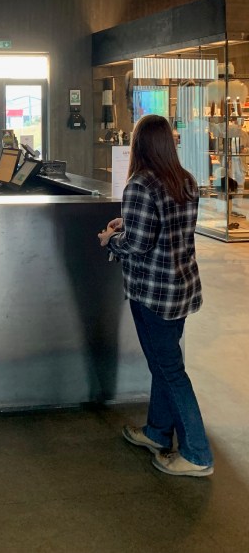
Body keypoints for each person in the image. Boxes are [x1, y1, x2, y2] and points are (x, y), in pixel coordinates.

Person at [98, 114, 213, 478]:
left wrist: (111, 239)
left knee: (170, 371)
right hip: (180, 289)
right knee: (163, 365)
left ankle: (197, 454)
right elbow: (167, 228)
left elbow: (138, 244)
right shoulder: (185, 180)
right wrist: (128, 223)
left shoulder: (139, 184)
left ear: (139, 145)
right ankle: (158, 432)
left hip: (152, 294)